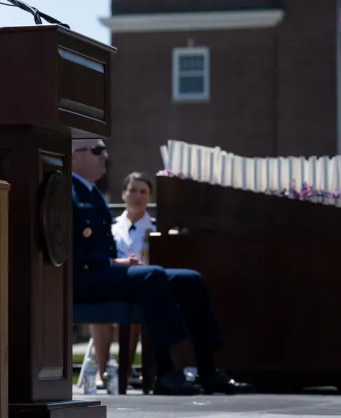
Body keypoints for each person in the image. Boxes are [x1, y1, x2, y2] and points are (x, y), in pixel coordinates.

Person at [69, 138, 253, 395]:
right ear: (75, 156)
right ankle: (167, 372)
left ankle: (208, 369)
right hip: (83, 278)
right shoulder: (68, 192)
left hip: (104, 272)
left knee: (190, 280)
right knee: (151, 276)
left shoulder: (91, 191)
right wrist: (113, 262)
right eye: (97, 151)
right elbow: (67, 249)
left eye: (105, 150)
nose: (105, 156)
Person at [91, 171, 155, 391]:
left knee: (135, 309)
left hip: (140, 285)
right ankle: (102, 370)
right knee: (99, 308)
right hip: (112, 281)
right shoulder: (110, 228)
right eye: (132, 190)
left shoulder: (155, 230)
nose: (137, 196)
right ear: (123, 194)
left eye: (143, 192)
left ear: (150, 198)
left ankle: (125, 368)